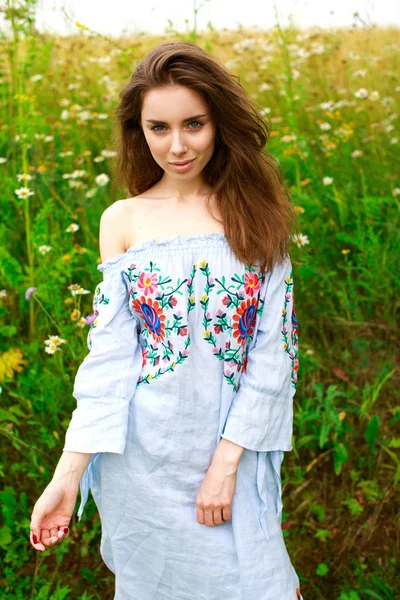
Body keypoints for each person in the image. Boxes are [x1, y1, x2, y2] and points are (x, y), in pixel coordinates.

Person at [29, 41, 303, 600]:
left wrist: (226, 465)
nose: (177, 146)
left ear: (218, 122)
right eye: (159, 128)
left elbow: (276, 355)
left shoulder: (256, 213)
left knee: (264, 584)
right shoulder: (122, 220)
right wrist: (66, 477)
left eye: (194, 124)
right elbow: (109, 361)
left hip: (234, 454)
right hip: (144, 463)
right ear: (140, 130)